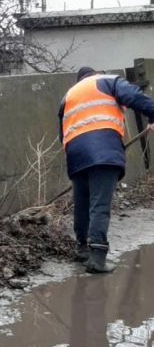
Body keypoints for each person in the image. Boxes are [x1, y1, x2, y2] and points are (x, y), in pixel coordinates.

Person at [58, 66, 154, 273]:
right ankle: (97, 258)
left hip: (76, 155)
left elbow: (62, 134)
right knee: (99, 205)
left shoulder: (68, 96)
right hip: (103, 152)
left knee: (82, 204)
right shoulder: (107, 81)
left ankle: (82, 249)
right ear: (94, 74)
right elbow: (134, 96)